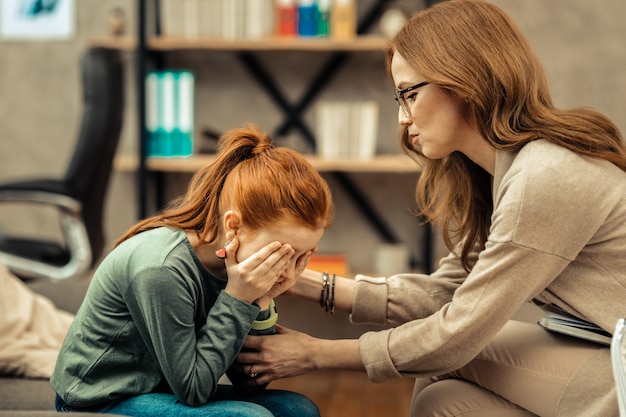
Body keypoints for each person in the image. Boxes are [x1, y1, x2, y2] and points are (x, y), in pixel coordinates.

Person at [238, 1, 626, 416]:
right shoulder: (503, 174)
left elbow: (458, 332)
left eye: (409, 93)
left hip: (617, 367)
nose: (403, 118)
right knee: (443, 402)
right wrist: (301, 280)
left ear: (463, 79)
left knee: (444, 359)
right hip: (595, 351)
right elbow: (448, 292)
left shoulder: (546, 176)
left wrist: (315, 353)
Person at [51, 124, 332, 417]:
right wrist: (236, 298)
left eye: (301, 256)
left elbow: (250, 384)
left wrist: (262, 299)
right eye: (280, 252)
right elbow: (194, 390)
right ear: (233, 226)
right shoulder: (161, 270)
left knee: (298, 410)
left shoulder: (238, 265)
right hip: (97, 399)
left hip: (162, 389)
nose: (287, 268)